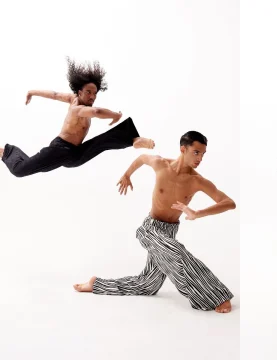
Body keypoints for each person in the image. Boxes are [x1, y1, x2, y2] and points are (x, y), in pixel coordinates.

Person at [74, 131, 236, 314]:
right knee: (177, 252)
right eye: (196, 152)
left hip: (169, 232)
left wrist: (198, 213)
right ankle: (217, 296)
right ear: (183, 149)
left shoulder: (197, 181)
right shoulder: (161, 164)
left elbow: (229, 203)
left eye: (203, 154)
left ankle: (96, 284)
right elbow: (142, 158)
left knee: (147, 284)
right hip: (150, 229)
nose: (200, 158)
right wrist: (127, 175)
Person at [1, 58, 154, 177]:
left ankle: (133, 139)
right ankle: (6, 151)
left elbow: (54, 95)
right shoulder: (77, 108)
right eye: (88, 92)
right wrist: (115, 115)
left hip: (76, 155)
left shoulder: (73, 99)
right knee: (20, 170)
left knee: (101, 143)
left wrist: (32, 92)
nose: (92, 96)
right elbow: (96, 112)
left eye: (95, 93)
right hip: (59, 150)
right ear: (79, 91)